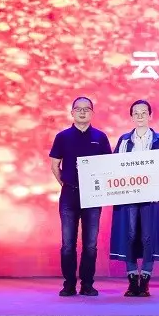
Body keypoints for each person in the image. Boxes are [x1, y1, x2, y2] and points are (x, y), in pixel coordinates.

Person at [49, 97, 112, 297]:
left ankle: (87, 284)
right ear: (72, 113)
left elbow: (108, 166)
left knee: (90, 244)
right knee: (68, 244)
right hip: (69, 195)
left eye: (86, 109)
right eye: (78, 109)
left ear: (92, 113)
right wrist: (65, 184)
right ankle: (69, 284)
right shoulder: (62, 137)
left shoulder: (100, 137)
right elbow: (54, 165)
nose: (82, 112)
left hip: (93, 195)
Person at [109, 100, 159, 297]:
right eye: (136, 113)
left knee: (148, 236)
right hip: (129, 195)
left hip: (151, 195)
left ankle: (146, 280)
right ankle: (133, 280)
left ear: (150, 115)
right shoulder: (124, 140)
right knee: (130, 234)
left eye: (144, 112)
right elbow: (113, 165)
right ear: (131, 116)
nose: (140, 116)